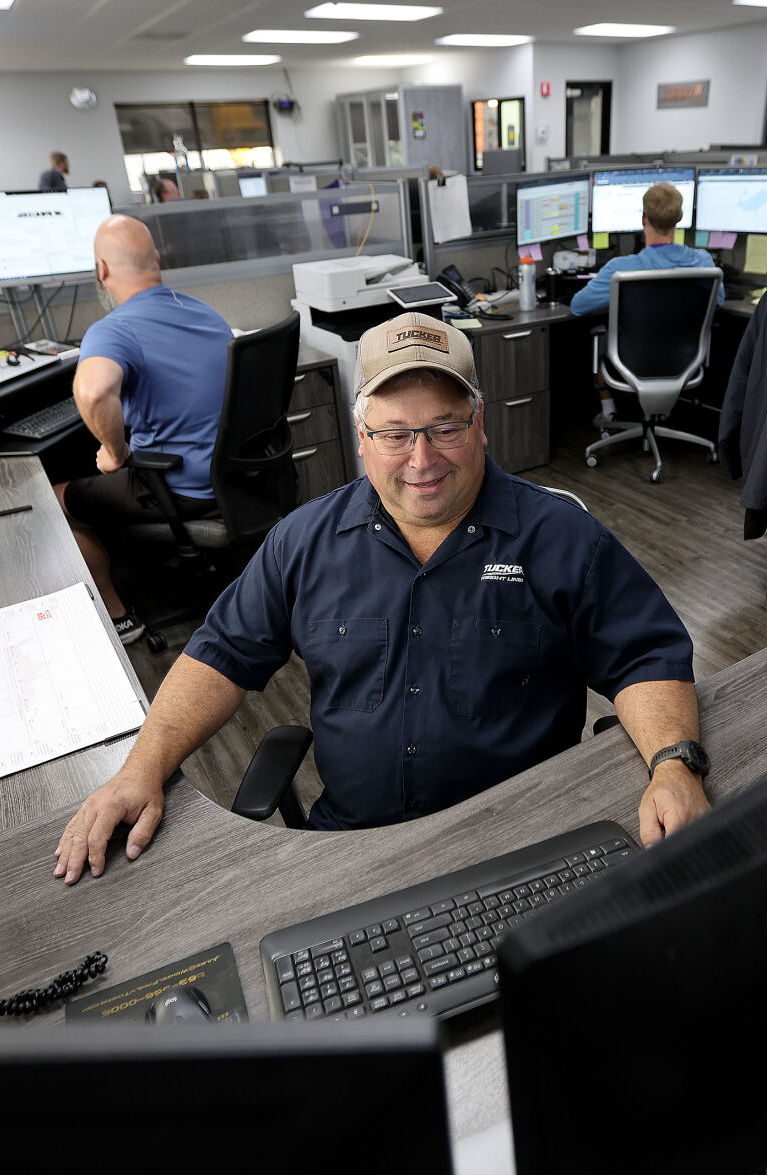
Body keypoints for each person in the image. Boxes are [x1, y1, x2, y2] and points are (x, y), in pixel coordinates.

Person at [53, 313, 712, 884]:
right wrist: (140, 769)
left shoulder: (559, 536)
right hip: (354, 847)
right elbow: (221, 654)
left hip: (518, 837)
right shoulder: (304, 542)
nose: (421, 457)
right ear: (361, 435)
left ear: (480, 424)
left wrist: (674, 765)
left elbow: (644, 655)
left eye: (444, 427)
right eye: (395, 433)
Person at [54, 215, 230, 645]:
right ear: (154, 260)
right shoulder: (205, 313)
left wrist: (114, 451)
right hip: (234, 479)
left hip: (175, 488)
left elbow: (94, 394)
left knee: (54, 500)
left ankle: (119, 616)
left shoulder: (116, 328)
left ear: (102, 270)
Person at [570, 182, 722, 423]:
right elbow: (719, 301)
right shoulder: (703, 262)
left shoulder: (620, 269)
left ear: (644, 220)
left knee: (600, 339)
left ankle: (609, 414)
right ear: (679, 219)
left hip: (630, 360)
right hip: (685, 359)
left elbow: (578, 306)